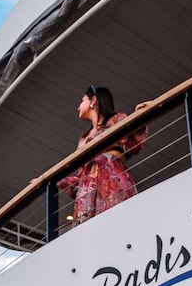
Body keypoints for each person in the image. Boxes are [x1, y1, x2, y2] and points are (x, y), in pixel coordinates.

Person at [58, 85, 149, 226]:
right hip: (88, 190)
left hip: (111, 180)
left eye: (82, 100)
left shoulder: (117, 119)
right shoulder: (83, 139)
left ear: (93, 100)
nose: (78, 106)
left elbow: (134, 142)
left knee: (117, 224)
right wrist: (55, 181)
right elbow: (81, 174)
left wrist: (141, 116)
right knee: (89, 233)